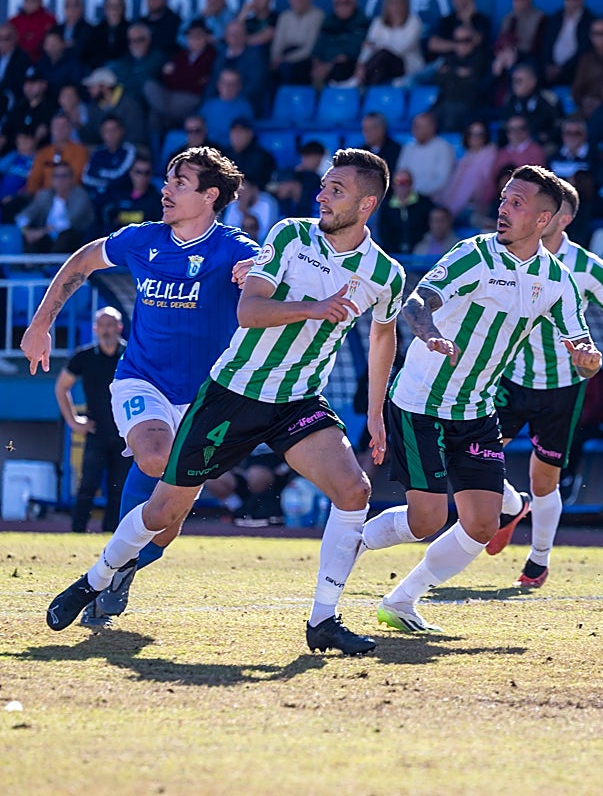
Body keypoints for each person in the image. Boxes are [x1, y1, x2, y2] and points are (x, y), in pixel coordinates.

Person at [44, 149, 405, 657]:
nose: (321, 195)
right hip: (234, 391)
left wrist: (374, 413)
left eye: (335, 190)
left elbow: (384, 337)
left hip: (298, 399)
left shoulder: (386, 274)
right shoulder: (288, 236)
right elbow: (250, 309)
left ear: (367, 204)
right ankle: (97, 578)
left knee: (354, 490)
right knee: (164, 512)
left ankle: (324, 620)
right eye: (323, 186)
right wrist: (313, 308)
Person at [23, 147, 259, 628]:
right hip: (142, 380)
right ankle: (113, 572)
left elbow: (269, 269)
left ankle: (117, 571)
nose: (165, 190)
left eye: (179, 183)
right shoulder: (141, 240)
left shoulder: (234, 248)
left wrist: (259, 272)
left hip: (205, 399)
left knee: (164, 528)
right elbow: (80, 263)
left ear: (210, 196)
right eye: (167, 180)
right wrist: (40, 324)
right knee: (155, 456)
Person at [357, 164, 601, 632]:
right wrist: (429, 335)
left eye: (517, 203)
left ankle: (402, 599)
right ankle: (350, 546)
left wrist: (589, 361)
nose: (503, 209)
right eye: (504, 198)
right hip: (420, 400)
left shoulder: (558, 280)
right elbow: (416, 302)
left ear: (544, 219)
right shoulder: (474, 254)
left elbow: (583, 346)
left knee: (483, 524)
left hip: (476, 408)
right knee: (425, 518)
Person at [486, 178, 603, 585]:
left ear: (560, 218)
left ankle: (538, 559)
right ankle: (512, 505)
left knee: (544, 479)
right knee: (469, 454)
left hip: (564, 389)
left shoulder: (587, 267)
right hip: (509, 378)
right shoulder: (500, 251)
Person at [56, 307, 132, 534]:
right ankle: (77, 532)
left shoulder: (130, 355)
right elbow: (62, 387)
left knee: (120, 488)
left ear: (119, 327)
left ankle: (114, 536)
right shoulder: (84, 356)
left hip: (125, 433)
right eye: (102, 325)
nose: (106, 330)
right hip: (96, 431)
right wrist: (73, 421)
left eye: (111, 325)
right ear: (95, 328)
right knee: (88, 484)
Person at [16, 162, 94, 253]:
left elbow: (68, 222)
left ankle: (54, 266)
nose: (60, 180)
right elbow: (24, 215)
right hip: (46, 238)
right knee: (27, 237)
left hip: (74, 237)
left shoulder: (80, 195)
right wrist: (27, 231)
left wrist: (41, 232)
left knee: (66, 235)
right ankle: (29, 265)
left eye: (64, 176)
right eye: (56, 176)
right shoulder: (45, 195)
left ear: (71, 178)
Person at [353, 0, 424, 87]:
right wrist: (361, 64)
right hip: (382, 64)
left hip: (406, 65)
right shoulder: (378, 22)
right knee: (378, 71)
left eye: (400, 1)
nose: (396, 5)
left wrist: (376, 46)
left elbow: (401, 48)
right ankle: (369, 94)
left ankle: (356, 82)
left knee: (384, 54)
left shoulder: (414, 22)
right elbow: (368, 46)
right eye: (393, 2)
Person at [541, 0, 596, 89]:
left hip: (574, 70)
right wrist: (548, 65)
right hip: (550, 70)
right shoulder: (555, 18)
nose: (571, 1)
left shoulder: (590, 20)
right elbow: (546, 45)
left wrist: (562, 69)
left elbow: (584, 50)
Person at [270, 0, 324, 85]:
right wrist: (275, 59)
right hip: (285, 54)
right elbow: (278, 43)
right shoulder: (285, 16)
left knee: (291, 69)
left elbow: (310, 47)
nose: (298, 1)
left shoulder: (318, 16)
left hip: (304, 57)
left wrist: (286, 59)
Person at [396, 112, 455, 198]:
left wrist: (418, 195)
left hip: (432, 199)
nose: (415, 129)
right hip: (407, 198)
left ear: (431, 128)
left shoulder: (443, 148)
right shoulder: (408, 148)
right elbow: (400, 174)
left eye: (419, 127)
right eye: (414, 126)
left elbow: (442, 180)